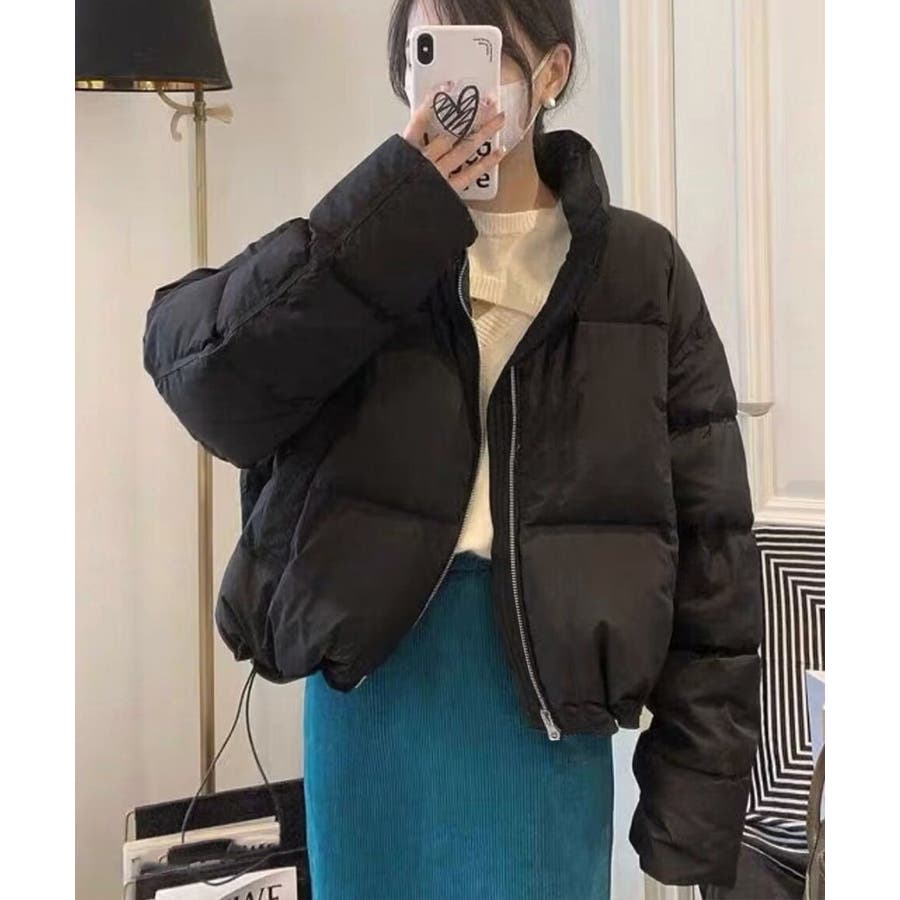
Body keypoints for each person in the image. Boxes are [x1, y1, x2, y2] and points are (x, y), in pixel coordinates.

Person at [142, 0, 764, 897]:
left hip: (544, 717)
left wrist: (691, 824)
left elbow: (714, 556)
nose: (446, 82)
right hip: (375, 708)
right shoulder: (359, 252)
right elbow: (207, 384)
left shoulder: (639, 270)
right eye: (424, 51)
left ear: (550, 74)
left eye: (482, 52)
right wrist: (388, 212)